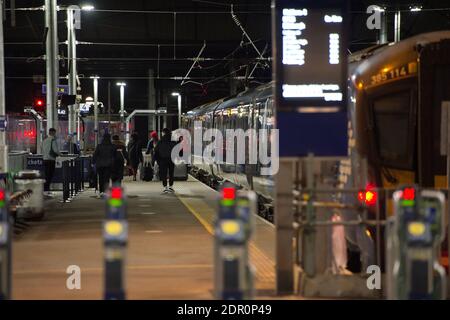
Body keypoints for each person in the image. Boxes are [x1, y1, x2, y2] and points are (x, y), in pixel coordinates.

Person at [155, 128, 179, 193]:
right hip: (171, 159)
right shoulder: (173, 141)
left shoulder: (160, 141)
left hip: (162, 159)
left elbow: (156, 151)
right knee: (171, 173)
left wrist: (157, 160)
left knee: (164, 173)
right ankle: (171, 186)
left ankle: (165, 187)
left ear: (164, 133)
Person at [93, 133, 116, 197]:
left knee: (101, 178)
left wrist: (93, 162)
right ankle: (106, 191)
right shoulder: (113, 146)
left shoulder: (99, 146)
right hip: (109, 165)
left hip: (100, 165)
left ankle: (101, 191)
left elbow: (95, 155)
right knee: (107, 178)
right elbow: (115, 156)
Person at [42, 128, 60, 195]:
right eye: (55, 133)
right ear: (53, 133)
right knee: (50, 175)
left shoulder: (44, 140)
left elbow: (42, 149)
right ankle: (46, 190)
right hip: (51, 160)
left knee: (46, 175)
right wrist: (60, 154)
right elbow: (55, 150)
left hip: (45, 159)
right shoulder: (53, 140)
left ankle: (46, 189)